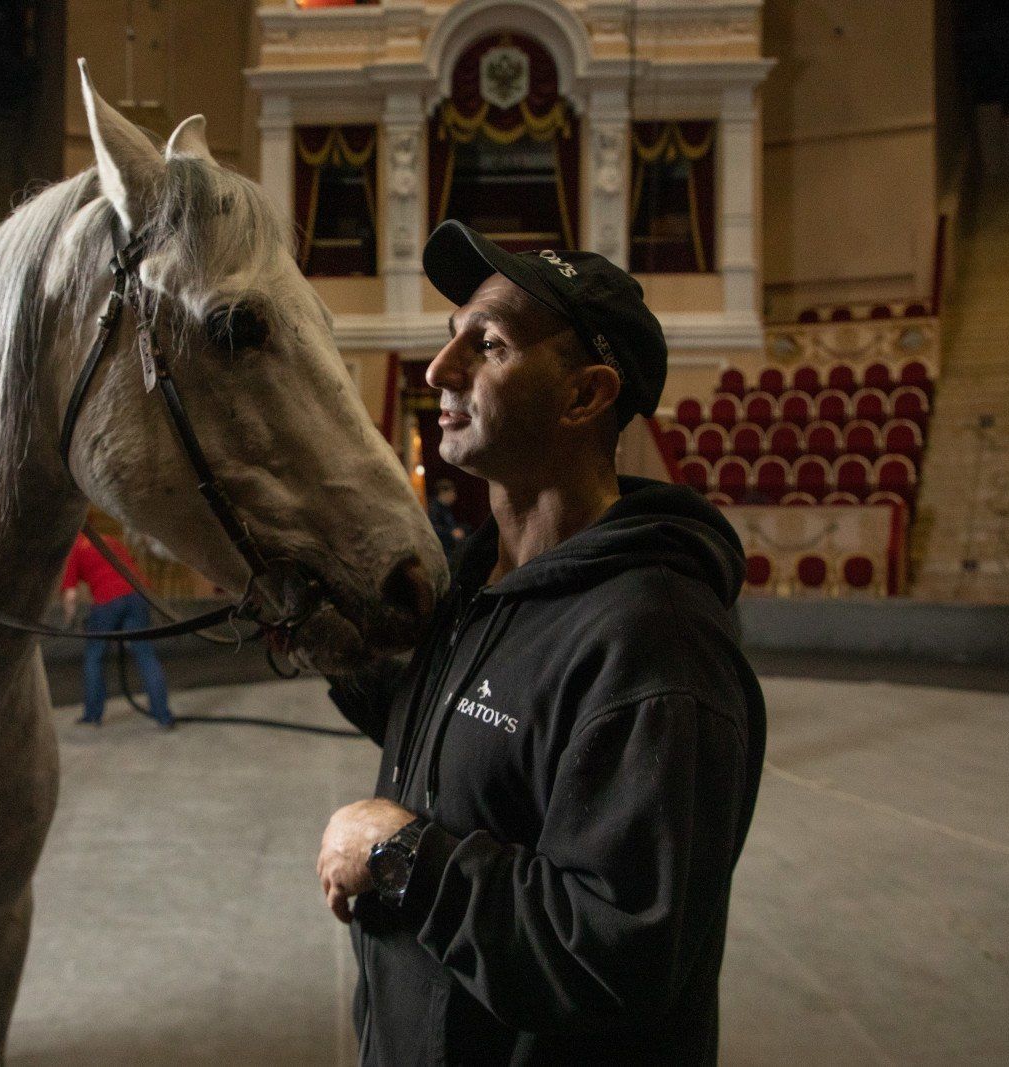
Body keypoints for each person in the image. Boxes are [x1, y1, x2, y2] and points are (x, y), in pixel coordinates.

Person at [315, 220, 766, 1064]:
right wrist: (313, 632)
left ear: (586, 396)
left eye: (487, 345)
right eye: (451, 338)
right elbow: (462, 731)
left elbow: (613, 949)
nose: (439, 371)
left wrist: (398, 851)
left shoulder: (656, 643)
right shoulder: (476, 586)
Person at [61, 531, 175, 729]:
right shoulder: (108, 538)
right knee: (145, 654)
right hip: (138, 594)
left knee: (94, 656)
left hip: (108, 599)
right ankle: (163, 717)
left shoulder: (73, 547)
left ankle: (92, 716)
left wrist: (68, 620)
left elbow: (70, 595)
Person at [425, 478, 470, 567]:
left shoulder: (445, 508)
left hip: (449, 548)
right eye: (452, 492)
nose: (454, 496)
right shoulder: (433, 508)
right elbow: (433, 529)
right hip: (443, 551)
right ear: (443, 493)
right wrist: (451, 533)